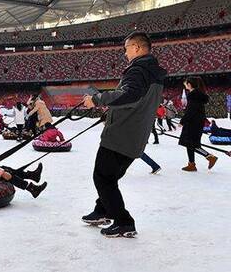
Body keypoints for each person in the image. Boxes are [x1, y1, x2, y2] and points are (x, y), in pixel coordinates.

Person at [82, 31, 166, 238]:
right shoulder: (152, 72)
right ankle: (103, 210)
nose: (125, 53)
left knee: (102, 177)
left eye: (127, 48)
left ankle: (123, 222)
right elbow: (136, 99)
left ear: (136, 48)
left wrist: (97, 99)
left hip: (121, 134)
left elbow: (129, 95)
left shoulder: (138, 70)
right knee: (110, 176)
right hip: (135, 134)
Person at [178, 76, 218, 172]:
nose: (184, 85)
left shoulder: (193, 95)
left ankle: (209, 157)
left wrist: (183, 121)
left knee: (193, 144)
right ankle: (191, 164)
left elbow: (191, 110)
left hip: (193, 123)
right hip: (196, 122)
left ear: (189, 84)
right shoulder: (197, 94)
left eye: (186, 83)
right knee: (189, 143)